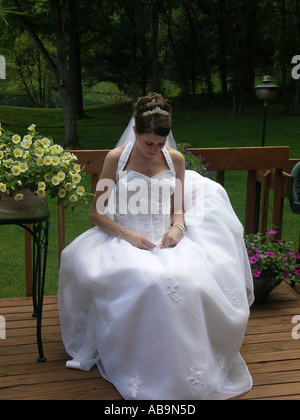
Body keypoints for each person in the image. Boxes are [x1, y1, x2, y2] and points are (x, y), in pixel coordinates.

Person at [58, 93, 254, 400]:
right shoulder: (115, 160)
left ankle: (187, 370)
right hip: (124, 239)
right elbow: (96, 213)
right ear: (135, 132)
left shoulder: (174, 159)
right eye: (149, 143)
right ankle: (144, 367)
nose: (154, 150)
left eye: (160, 144)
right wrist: (128, 235)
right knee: (150, 281)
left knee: (189, 280)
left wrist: (177, 227)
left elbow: (178, 209)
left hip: (167, 241)